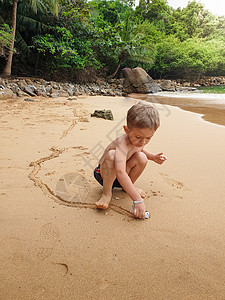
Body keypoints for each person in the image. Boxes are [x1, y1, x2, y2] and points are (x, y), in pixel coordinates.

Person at [93, 102, 167, 219]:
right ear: (127, 130)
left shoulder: (138, 141)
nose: (143, 142)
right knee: (112, 155)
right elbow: (120, 171)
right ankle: (106, 193)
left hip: (121, 177)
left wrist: (153, 157)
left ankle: (127, 186)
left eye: (148, 138)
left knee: (141, 157)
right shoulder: (123, 143)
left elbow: (140, 150)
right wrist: (137, 200)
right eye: (138, 137)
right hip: (104, 175)